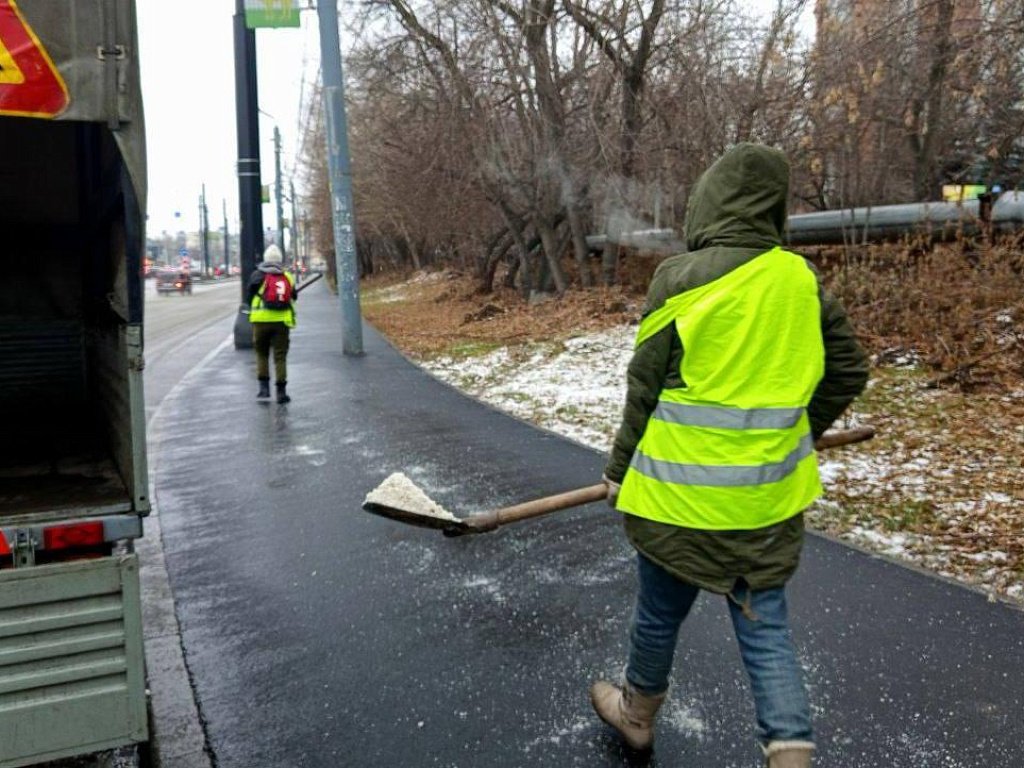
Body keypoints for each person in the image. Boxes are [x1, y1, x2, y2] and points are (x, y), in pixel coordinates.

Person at [592, 144, 869, 767]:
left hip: (675, 501)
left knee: (658, 617)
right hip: (764, 507)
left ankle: (636, 716)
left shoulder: (679, 279)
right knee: (767, 634)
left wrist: (617, 471)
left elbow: (645, 387)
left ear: (707, 205)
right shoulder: (800, 279)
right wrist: (799, 429)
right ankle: (790, 756)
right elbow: (849, 368)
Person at [248, 243, 297, 403]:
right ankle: (281, 393)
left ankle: (263, 390)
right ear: (280, 260)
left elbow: (249, 296)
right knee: (280, 356)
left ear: (265, 259)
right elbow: (294, 297)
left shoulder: (257, 275)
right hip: (281, 322)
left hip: (260, 321)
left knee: (262, 354)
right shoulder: (287, 276)